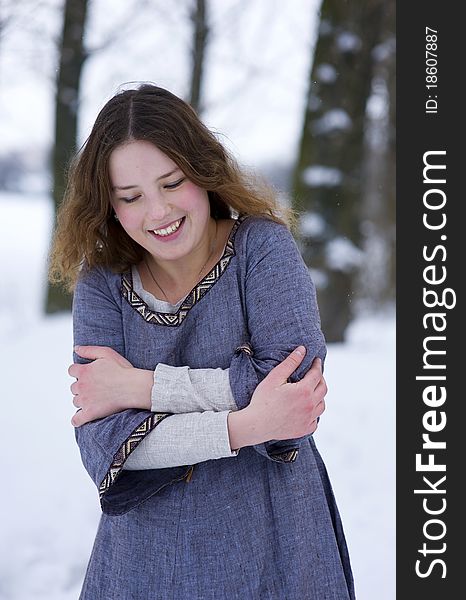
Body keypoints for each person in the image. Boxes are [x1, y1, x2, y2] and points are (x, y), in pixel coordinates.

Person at [49, 83, 355, 600]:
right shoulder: (102, 282)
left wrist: (141, 388)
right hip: (147, 559)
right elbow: (105, 441)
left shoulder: (262, 248)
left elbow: (293, 385)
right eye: (131, 197)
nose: (158, 211)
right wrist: (247, 425)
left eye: (172, 183)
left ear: (203, 170)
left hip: (275, 545)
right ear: (109, 206)